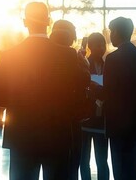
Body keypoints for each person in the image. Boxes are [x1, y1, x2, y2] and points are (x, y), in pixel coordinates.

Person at [0, 2, 82, 179]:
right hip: (58, 134)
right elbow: (77, 96)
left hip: (22, 136)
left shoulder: (9, 56)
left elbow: (0, 98)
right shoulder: (68, 56)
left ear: (24, 22)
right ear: (48, 21)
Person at [91, 17, 136, 180]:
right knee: (133, 165)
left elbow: (108, 93)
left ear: (117, 32)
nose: (110, 35)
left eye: (111, 31)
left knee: (120, 169)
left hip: (119, 124)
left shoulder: (113, 59)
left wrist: (93, 87)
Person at [49, 20, 91, 180]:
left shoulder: (44, 56)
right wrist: (83, 62)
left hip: (48, 120)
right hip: (70, 118)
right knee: (71, 162)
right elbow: (84, 80)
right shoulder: (74, 56)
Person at [80, 32, 109, 180]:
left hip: (101, 119)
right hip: (86, 119)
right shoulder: (83, 63)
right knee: (83, 160)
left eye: (103, 44)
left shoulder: (109, 65)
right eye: (98, 45)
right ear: (90, 46)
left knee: (102, 160)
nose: (101, 48)